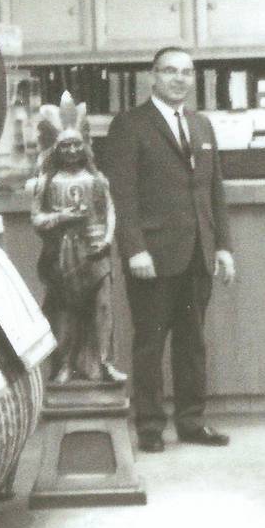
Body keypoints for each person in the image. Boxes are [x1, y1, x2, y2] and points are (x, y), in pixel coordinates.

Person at [102, 46, 235, 452]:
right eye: (170, 71)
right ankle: (149, 428)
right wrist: (133, 250)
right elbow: (121, 196)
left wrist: (224, 247)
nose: (179, 79)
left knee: (192, 342)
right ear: (153, 77)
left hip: (198, 253)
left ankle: (192, 422)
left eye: (186, 72)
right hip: (153, 256)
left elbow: (215, 193)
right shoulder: (130, 125)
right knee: (150, 343)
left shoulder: (202, 126)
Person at [29, 95, 124, 386]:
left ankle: (104, 361)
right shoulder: (47, 182)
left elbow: (109, 211)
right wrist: (61, 218)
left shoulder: (98, 179)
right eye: (65, 146)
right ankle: (64, 364)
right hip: (62, 255)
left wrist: (107, 239)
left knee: (103, 306)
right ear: (56, 149)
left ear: (85, 147)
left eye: (76, 145)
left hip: (95, 251)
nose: (71, 150)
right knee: (65, 311)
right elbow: (37, 218)